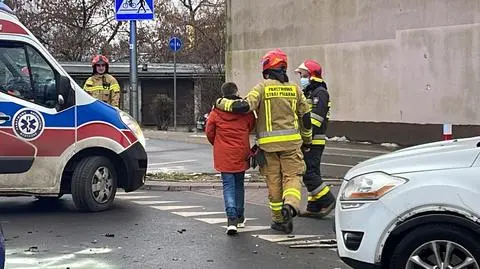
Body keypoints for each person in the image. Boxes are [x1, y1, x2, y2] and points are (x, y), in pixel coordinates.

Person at [214, 48, 312, 234]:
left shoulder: (262, 88)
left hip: (268, 147)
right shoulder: (295, 89)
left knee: (273, 181)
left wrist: (220, 103)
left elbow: (242, 106)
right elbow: (305, 117)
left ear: (267, 67)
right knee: (292, 177)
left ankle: (278, 220)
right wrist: (307, 140)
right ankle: (290, 206)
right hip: (292, 146)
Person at [206, 82, 255, 235]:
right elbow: (251, 126)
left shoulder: (216, 112)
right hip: (241, 151)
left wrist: (218, 143)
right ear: (236, 92)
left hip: (223, 153)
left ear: (223, 94)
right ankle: (240, 217)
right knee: (239, 184)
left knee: (228, 185)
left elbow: (209, 131)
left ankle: (231, 219)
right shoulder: (245, 111)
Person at [295, 60, 336, 218]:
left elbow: (316, 119)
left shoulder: (320, 92)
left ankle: (327, 200)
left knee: (308, 173)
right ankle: (314, 206)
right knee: (313, 172)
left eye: (302, 74)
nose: (301, 77)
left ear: (311, 74)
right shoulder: (311, 92)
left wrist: (306, 139)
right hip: (309, 139)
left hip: (313, 140)